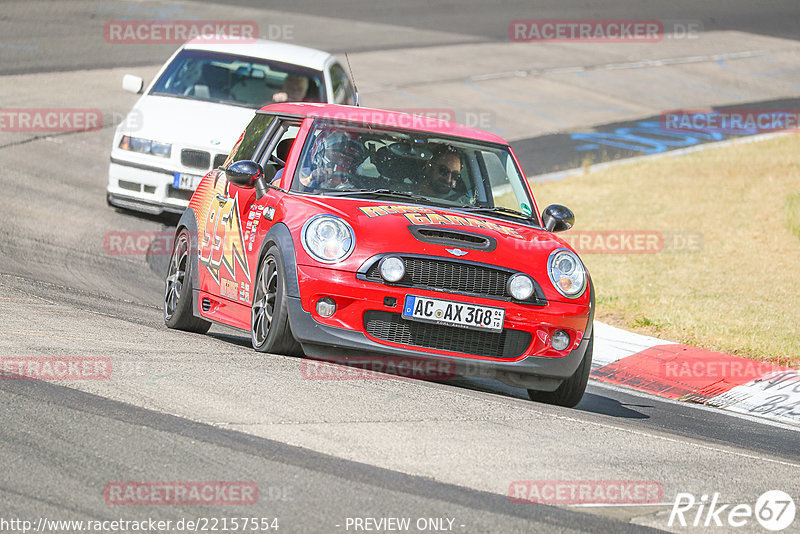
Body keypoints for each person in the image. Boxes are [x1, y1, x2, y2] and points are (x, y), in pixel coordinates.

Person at [296, 130, 366, 190]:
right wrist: (310, 179)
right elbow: (296, 188)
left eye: (348, 158)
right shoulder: (300, 173)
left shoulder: (365, 186)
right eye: (336, 156)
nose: (342, 163)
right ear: (319, 154)